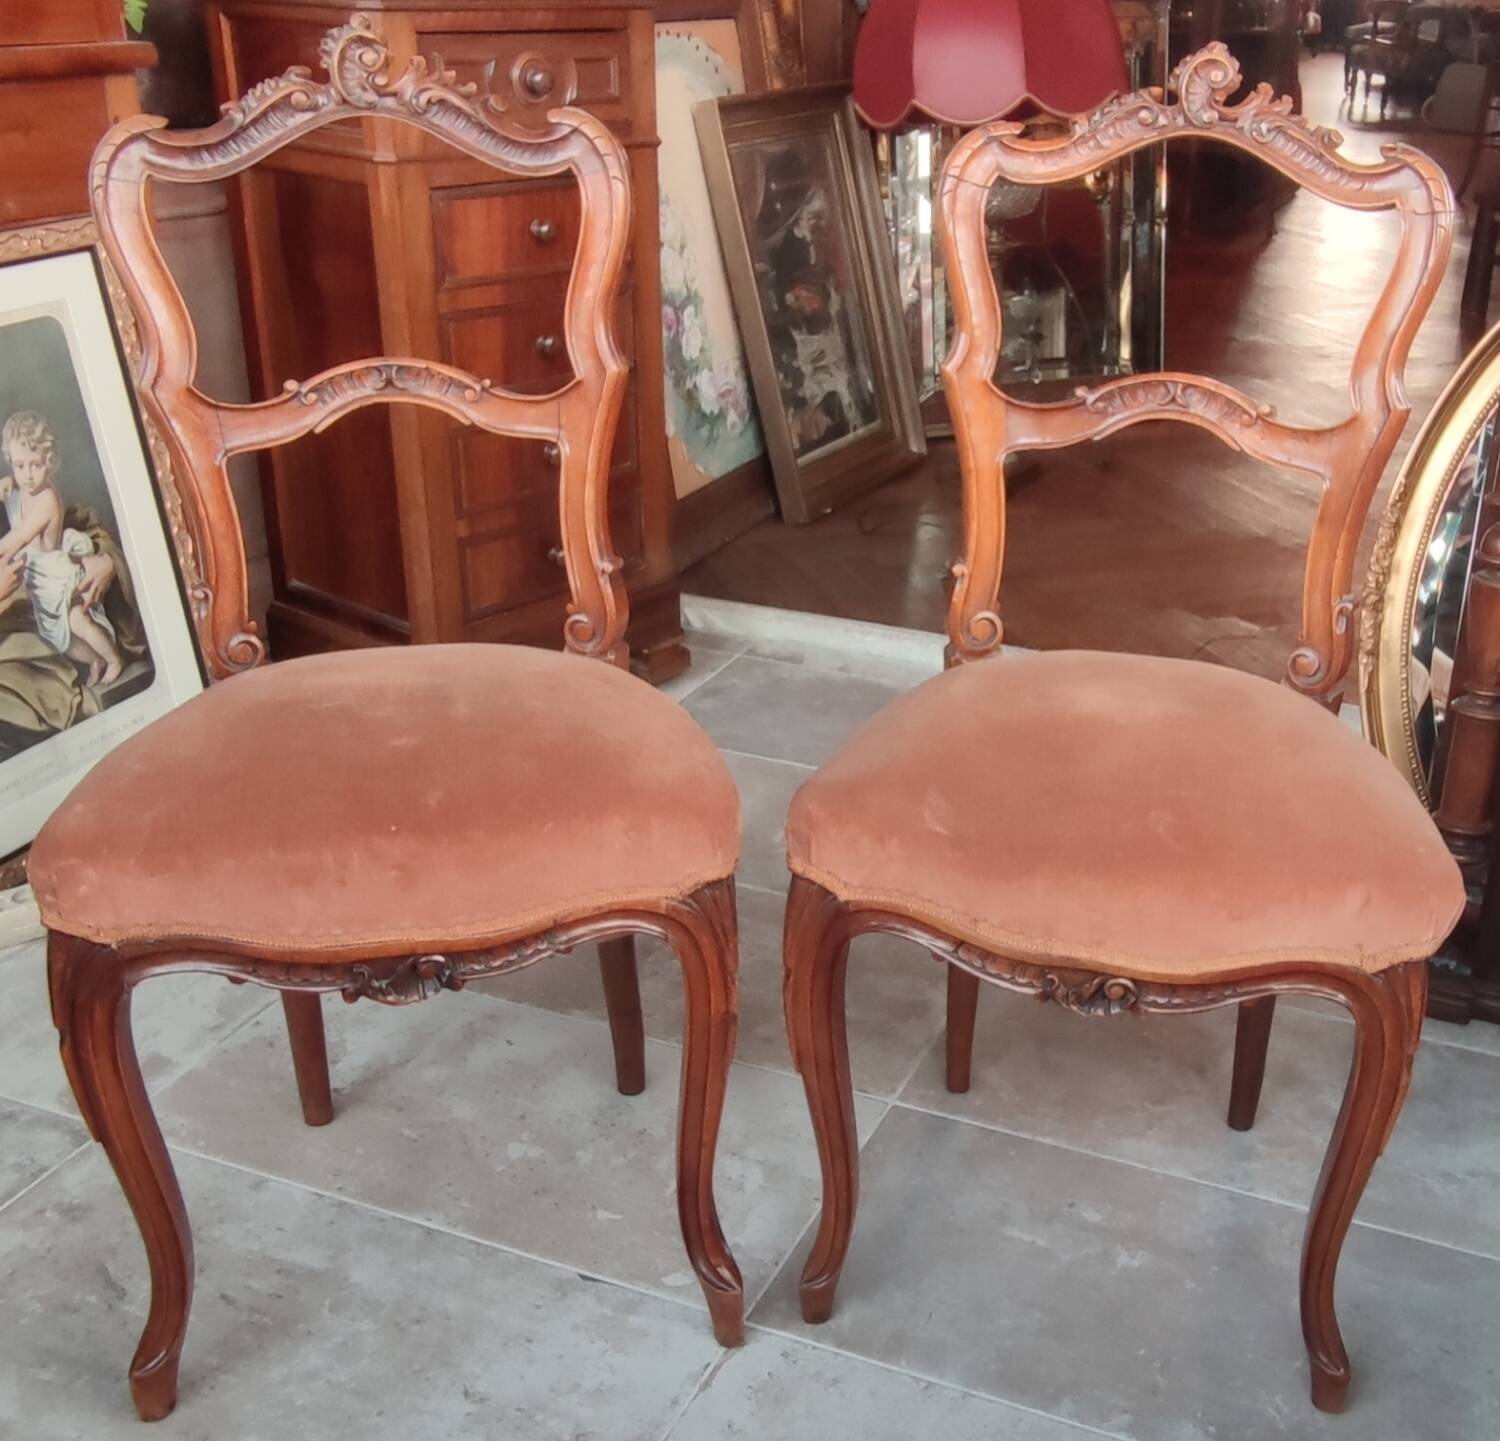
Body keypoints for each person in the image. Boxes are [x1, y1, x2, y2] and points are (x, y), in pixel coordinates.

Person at [0, 410, 123, 686]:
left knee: (77, 621)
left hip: (57, 576)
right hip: (37, 583)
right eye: (20, 466)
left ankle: (114, 659)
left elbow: (19, 537)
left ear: (50, 462)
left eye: (36, 465)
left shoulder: (47, 499)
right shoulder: (18, 492)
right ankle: (95, 659)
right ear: (11, 463)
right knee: (59, 640)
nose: (29, 475)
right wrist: (6, 484)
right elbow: (9, 493)